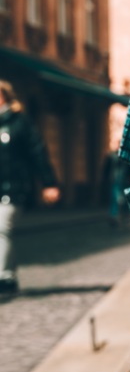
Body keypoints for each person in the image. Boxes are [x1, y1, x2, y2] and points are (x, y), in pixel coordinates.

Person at [0, 81, 60, 294]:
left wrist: (49, 183)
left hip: (14, 187)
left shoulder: (19, 123)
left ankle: (4, 276)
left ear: (3, 97)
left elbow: (38, 152)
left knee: (2, 227)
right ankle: (8, 274)